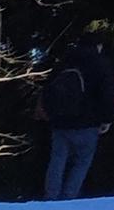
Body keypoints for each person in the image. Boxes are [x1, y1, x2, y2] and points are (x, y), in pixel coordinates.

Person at [39, 45, 106, 200]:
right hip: (87, 123)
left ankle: (51, 194)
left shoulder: (62, 64)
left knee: (57, 159)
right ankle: (69, 195)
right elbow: (105, 95)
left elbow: (47, 90)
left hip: (60, 122)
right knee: (82, 161)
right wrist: (106, 119)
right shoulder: (98, 66)